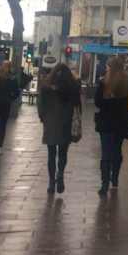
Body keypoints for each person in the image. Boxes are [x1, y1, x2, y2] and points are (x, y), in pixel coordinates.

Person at [38, 63, 81, 194]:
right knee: (63, 152)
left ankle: (51, 183)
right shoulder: (72, 87)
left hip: (50, 121)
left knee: (51, 154)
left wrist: (43, 118)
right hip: (66, 122)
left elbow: (41, 106)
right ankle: (60, 173)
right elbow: (78, 105)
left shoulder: (46, 87)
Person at [94, 57, 128, 196]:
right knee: (117, 149)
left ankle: (104, 184)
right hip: (121, 121)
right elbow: (125, 102)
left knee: (106, 151)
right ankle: (114, 177)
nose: (106, 68)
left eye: (107, 66)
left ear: (111, 68)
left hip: (106, 121)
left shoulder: (104, 83)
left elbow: (98, 103)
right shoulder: (126, 82)